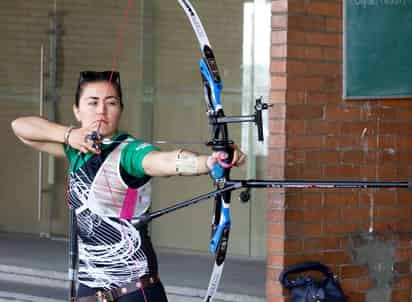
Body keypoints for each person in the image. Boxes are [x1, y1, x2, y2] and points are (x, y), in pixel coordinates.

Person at [11, 70, 246, 302]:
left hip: (134, 291)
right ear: (77, 110)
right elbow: (21, 128)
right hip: (90, 288)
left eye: (111, 103)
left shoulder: (130, 152)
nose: (101, 110)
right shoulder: (77, 150)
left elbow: (161, 161)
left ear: (120, 109)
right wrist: (68, 135)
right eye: (92, 102)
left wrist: (207, 162)